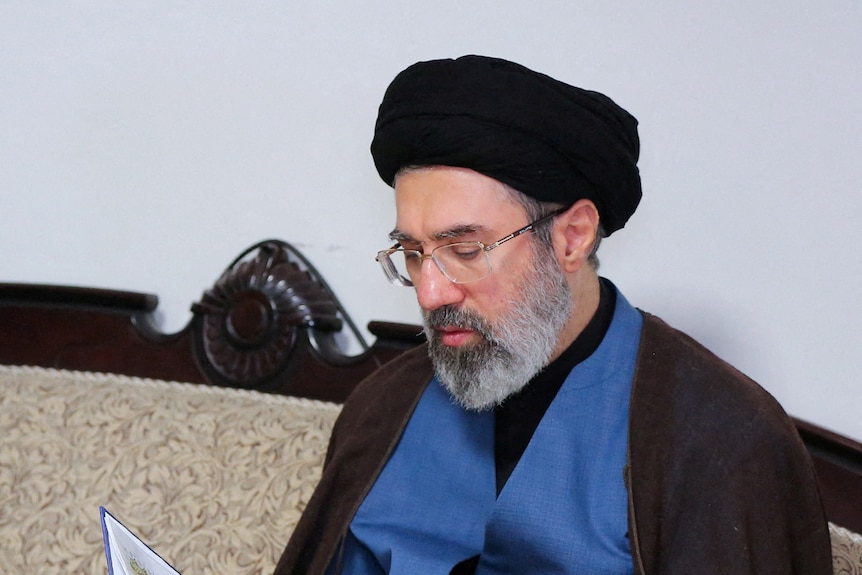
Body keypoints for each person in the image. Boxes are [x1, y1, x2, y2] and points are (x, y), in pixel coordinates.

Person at [273, 55, 832, 574]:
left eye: (464, 250)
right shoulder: (382, 406)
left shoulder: (722, 438)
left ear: (572, 236)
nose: (430, 293)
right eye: (414, 254)